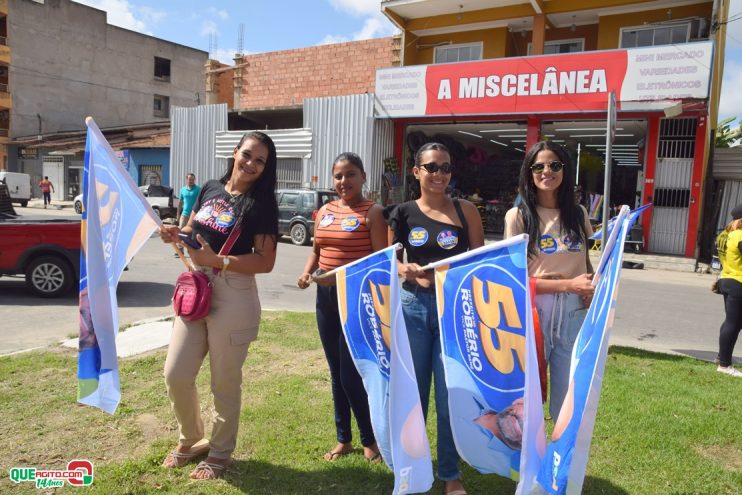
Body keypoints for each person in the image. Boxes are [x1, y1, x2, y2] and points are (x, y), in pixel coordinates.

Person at [158, 131, 279, 480]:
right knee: (176, 373)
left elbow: (265, 261)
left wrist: (220, 260)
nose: (251, 164)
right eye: (247, 155)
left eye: (260, 161)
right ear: (234, 152)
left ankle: (221, 453)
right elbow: (190, 230)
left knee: (224, 381)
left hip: (233, 292)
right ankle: (193, 439)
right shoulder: (211, 187)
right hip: (196, 288)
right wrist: (174, 233)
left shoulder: (262, 204)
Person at [385, 142, 484, 495]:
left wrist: (453, 272)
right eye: (431, 167)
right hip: (412, 308)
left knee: (448, 398)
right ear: (416, 172)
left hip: (452, 310)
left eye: (445, 167)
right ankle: (410, 469)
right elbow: (388, 260)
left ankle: (450, 474)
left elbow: (480, 261)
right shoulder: (402, 212)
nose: (439, 174)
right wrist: (404, 268)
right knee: (412, 397)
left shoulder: (466, 211)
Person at [297, 152, 384, 462]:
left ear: (362, 177)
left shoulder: (373, 212)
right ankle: (343, 439)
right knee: (335, 371)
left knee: (351, 374)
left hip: (356, 298)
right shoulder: (324, 212)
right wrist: (308, 272)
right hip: (325, 299)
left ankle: (370, 439)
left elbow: (379, 262)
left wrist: (340, 278)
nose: (343, 181)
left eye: (350, 175)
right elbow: (317, 251)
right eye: (338, 176)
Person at [504, 141, 595, 421]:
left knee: (568, 397)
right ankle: (530, 462)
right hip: (534, 312)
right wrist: (567, 285)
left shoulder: (578, 214)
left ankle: (560, 463)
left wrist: (592, 288)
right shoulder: (517, 217)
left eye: (554, 165)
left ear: (565, 171)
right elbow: (514, 279)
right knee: (527, 396)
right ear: (529, 174)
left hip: (574, 312)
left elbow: (586, 262)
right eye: (539, 166)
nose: (547, 171)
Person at [715, 203, 742, 377]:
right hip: (738, 281)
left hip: (726, 279)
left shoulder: (725, 234)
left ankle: (721, 357)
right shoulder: (740, 235)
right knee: (733, 324)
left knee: (733, 322)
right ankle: (724, 365)